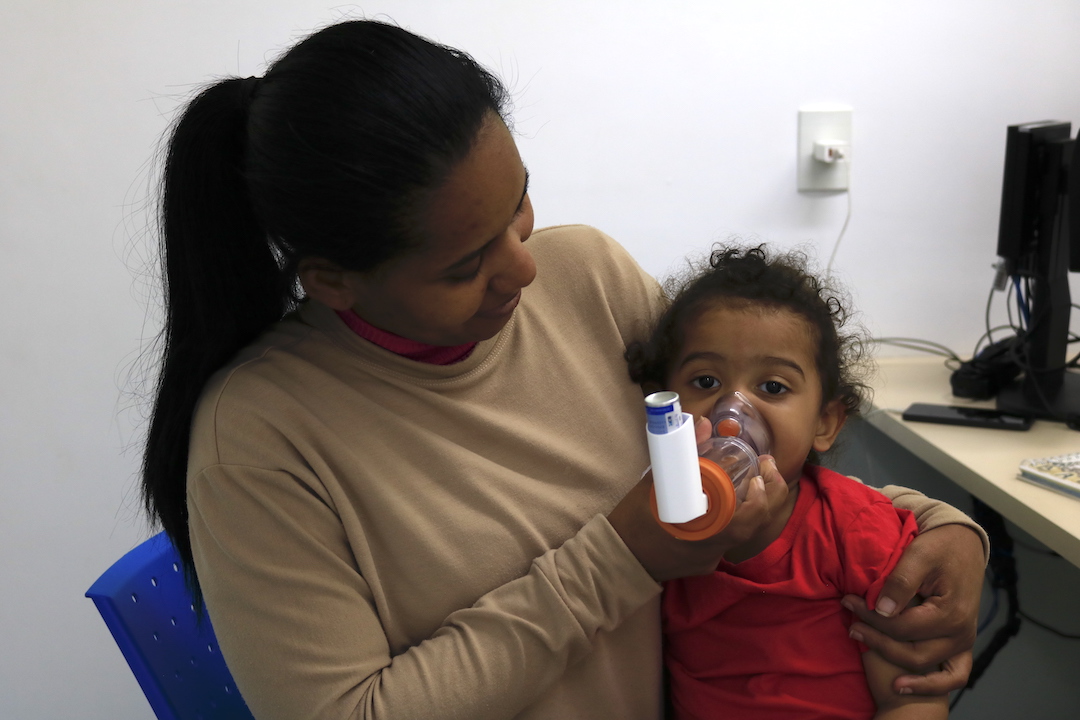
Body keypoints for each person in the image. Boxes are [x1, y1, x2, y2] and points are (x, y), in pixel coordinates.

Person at [140, 18, 986, 720]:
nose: (524, 269)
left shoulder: (591, 280)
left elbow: (750, 439)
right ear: (332, 280)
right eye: (465, 266)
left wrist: (941, 529)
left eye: (520, 208)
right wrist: (621, 558)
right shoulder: (259, 435)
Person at [626, 245, 954, 719]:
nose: (732, 415)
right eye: (704, 381)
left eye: (773, 387)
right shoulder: (657, 534)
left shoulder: (857, 532)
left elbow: (915, 697)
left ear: (825, 422)